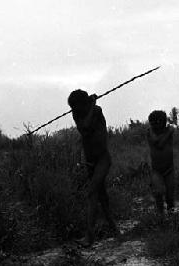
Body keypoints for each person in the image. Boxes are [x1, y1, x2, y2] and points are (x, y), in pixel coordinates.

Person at [67, 89, 118, 247]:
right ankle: (115, 230)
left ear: (85, 104)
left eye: (77, 106)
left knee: (92, 193)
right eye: (72, 107)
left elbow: (89, 123)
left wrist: (93, 104)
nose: (74, 110)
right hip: (90, 162)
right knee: (102, 198)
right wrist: (88, 105)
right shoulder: (77, 115)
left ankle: (89, 237)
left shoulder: (96, 110)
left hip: (103, 159)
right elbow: (85, 127)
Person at [145, 110, 175, 215]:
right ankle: (160, 216)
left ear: (162, 122)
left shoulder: (167, 131)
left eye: (157, 123)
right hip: (156, 170)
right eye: (152, 123)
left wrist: (169, 131)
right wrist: (169, 131)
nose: (154, 125)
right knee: (158, 193)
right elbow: (159, 144)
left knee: (170, 196)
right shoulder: (150, 132)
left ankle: (171, 215)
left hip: (169, 169)